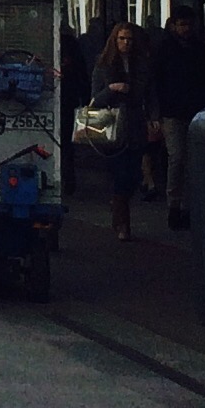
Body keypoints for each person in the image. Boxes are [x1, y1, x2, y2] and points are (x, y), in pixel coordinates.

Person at [150, 8, 205, 232]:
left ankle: (187, 206)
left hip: (195, 110)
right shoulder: (164, 50)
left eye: (189, 24)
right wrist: (156, 113)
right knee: (178, 157)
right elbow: (156, 82)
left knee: (189, 160)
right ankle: (175, 205)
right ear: (174, 25)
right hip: (172, 112)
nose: (186, 29)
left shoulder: (200, 50)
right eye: (182, 24)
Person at [90, 21, 156, 242]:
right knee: (120, 173)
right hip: (113, 125)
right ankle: (123, 223)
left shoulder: (142, 64)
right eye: (121, 39)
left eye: (129, 39)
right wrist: (111, 88)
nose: (126, 43)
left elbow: (150, 93)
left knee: (135, 174)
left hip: (135, 123)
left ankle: (118, 206)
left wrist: (154, 117)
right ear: (114, 40)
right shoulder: (103, 64)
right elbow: (95, 99)